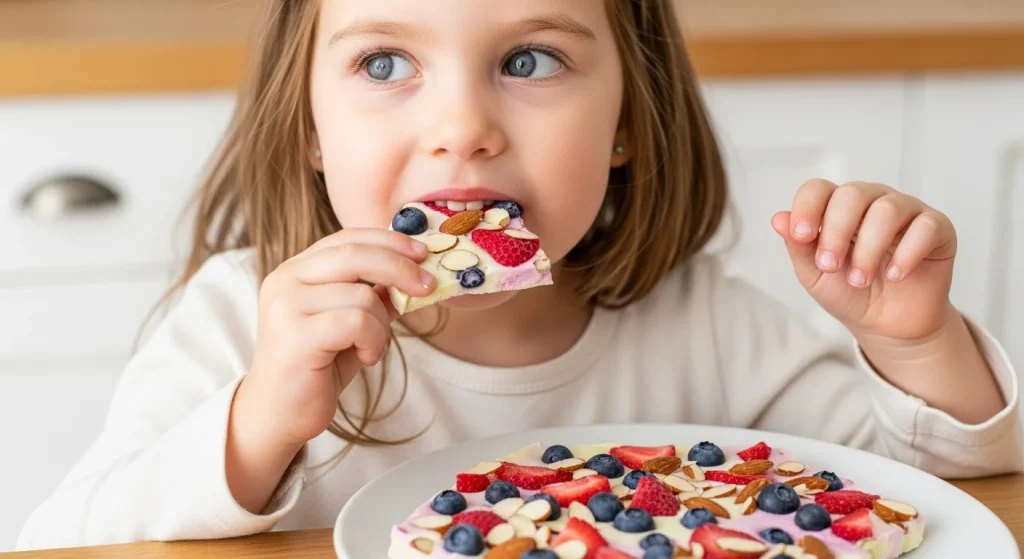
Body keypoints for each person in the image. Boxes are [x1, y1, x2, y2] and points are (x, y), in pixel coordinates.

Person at [17, 0, 1021, 550]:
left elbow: (939, 497)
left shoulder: (709, 323)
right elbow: (62, 541)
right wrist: (253, 424)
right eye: (382, 64)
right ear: (310, 127)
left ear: (627, 120)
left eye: (530, 60)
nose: (461, 130)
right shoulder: (242, 321)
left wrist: (914, 343)